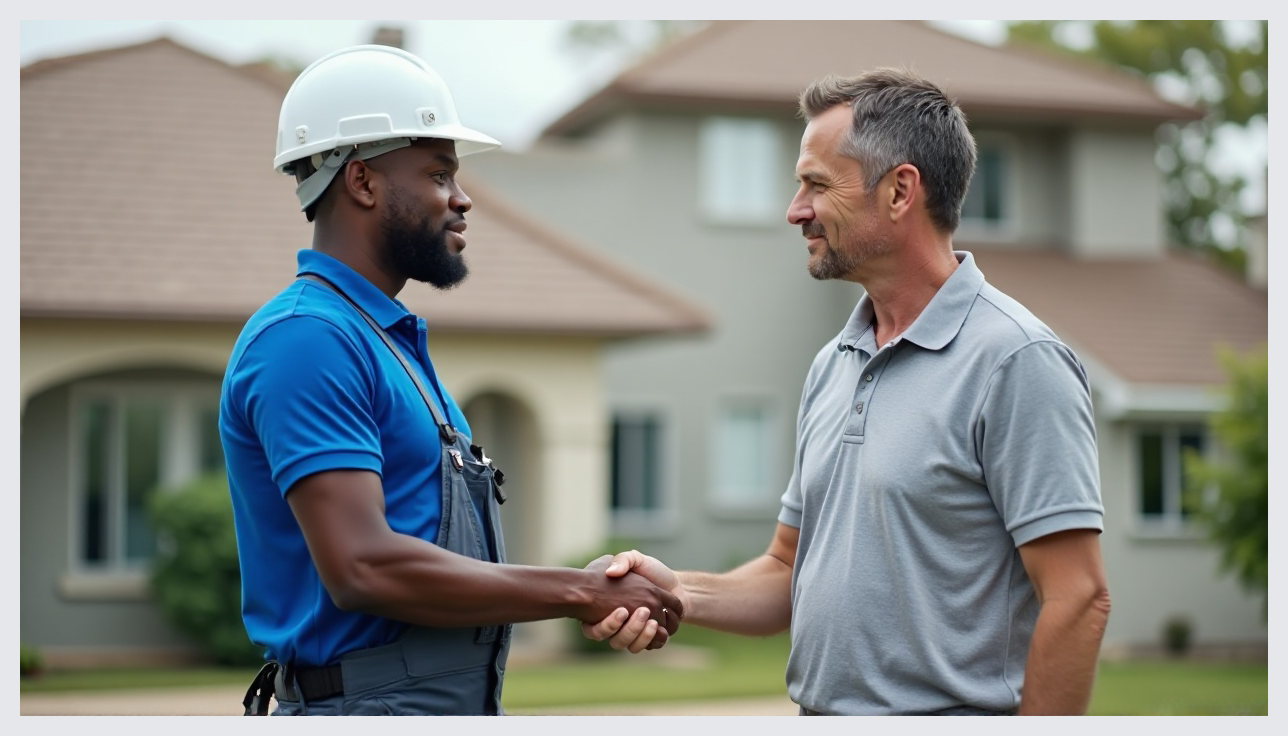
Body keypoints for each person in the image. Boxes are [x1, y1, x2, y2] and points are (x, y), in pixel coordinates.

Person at [585, 67, 1111, 716]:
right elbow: (786, 570)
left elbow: (1078, 596)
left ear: (899, 192)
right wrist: (678, 593)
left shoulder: (1016, 360)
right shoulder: (833, 364)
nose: (794, 209)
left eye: (816, 184)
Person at [219, 44, 681, 717]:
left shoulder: (386, 342)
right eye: (439, 174)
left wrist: (590, 587)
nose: (462, 199)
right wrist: (583, 592)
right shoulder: (307, 340)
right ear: (362, 182)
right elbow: (363, 567)